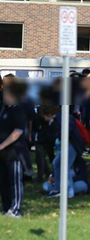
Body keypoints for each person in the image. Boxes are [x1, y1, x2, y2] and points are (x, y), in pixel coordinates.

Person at [0, 77, 27, 217]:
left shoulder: (18, 110)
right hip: (3, 154)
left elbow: (17, 132)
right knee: (4, 181)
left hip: (15, 152)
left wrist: (2, 145)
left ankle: (16, 209)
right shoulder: (4, 110)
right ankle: (6, 208)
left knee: (16, 182)